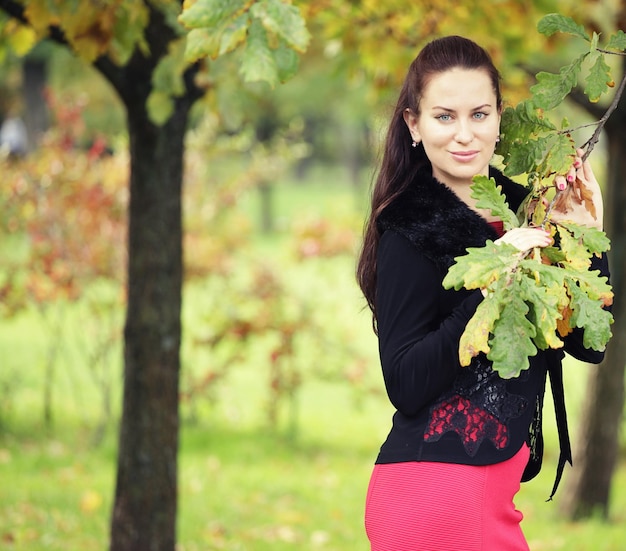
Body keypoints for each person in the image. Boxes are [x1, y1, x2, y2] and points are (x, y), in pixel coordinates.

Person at [356, 35, 609, 551]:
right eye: (444, 117)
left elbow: (589, 345)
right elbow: (404, 381)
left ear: (499, 119)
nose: (464, 135)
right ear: (413, 125)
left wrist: (588, 238)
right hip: (434, 495)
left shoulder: (526, 210)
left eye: (480, 114)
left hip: (489, 490)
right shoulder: (408, 229)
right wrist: (495, 274)